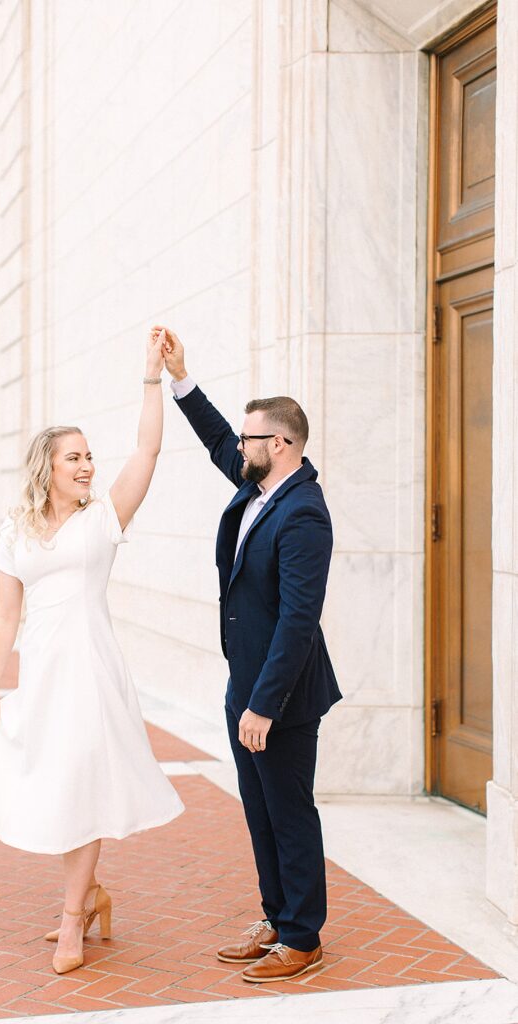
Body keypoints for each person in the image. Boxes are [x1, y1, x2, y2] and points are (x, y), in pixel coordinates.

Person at [0, 330, 184, 976]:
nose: (87, 465)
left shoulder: (104, 519)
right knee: (56, 787)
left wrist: (153, 377)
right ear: (48, 467)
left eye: (89, 456)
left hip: (92, 673)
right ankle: (90, 896)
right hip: (41, 678)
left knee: (85, 786)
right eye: (74, 458)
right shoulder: (15, 531)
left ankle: (72, 920)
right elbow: (5, 614)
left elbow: (146, 449)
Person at [156, 325, 342, 983]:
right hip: (246, 682)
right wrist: (182, 377)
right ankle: (276, 916)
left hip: (281, 694)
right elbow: (213, 441)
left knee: (288, 811)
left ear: (282, 444)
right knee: (258, 809)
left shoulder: (303, 514)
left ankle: (302, 939)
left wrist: (263, 704)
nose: (239, 447)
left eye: (250, 438)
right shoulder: (259, 489)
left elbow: (298, 620)